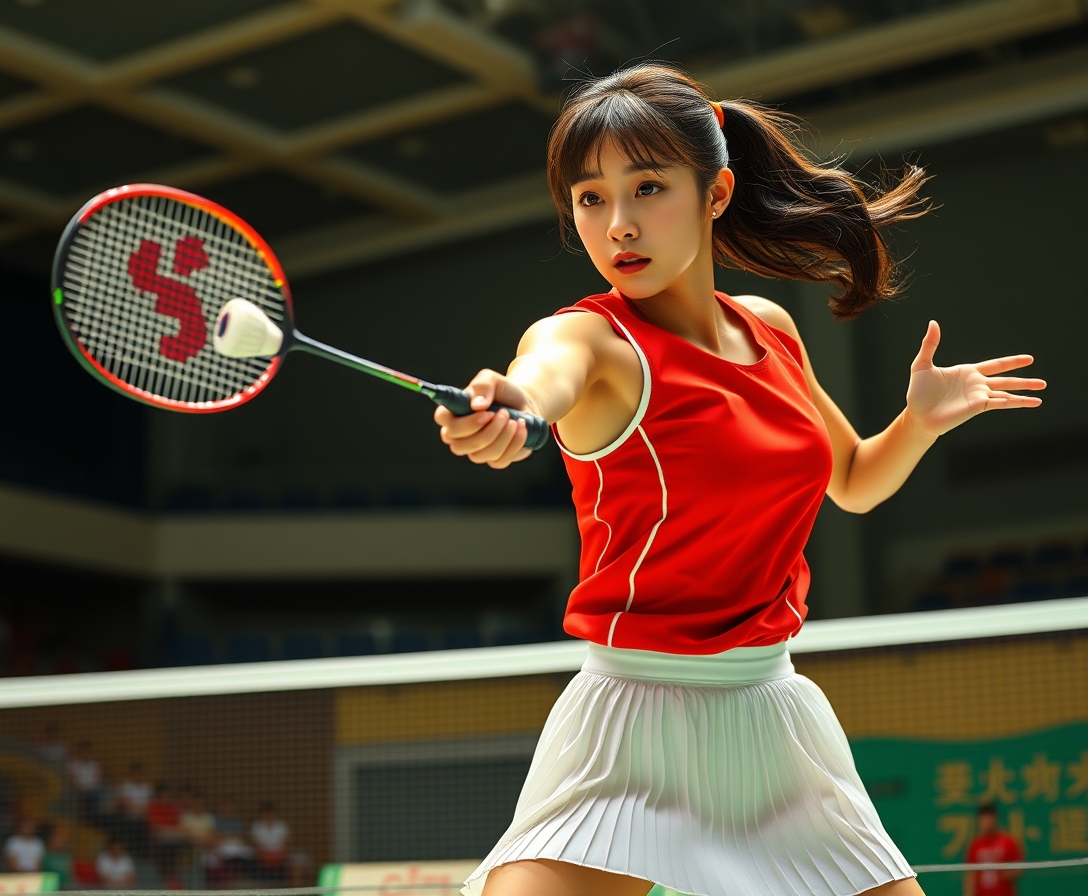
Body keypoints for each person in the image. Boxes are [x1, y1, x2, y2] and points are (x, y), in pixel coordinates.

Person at [433, 63, 1045, 896]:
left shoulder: (772, 331)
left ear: (716, 191)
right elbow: (540, 379)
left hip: (772, 717)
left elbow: (856, 480)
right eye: (590, 198)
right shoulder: (589, 343)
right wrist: (513, 406)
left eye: (647, 188)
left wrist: (921, 423)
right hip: (629, 724)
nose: (618, 225)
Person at [964, 805, 1023, 896]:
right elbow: (970, 875)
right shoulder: (975, 845)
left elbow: (1019, 867)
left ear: (995, 818)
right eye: (984, 819)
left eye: (989, 818)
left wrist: (1003, 872)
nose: (987, 822)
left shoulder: (1007, 841)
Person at [250, 801, 289, 885]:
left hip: (279, 856)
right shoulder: (256, 826)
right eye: (266, 813)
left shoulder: (282, 825)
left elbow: (285, 844)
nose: (269, 815)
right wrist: (266, 856)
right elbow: (256, 845)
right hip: (262, 857)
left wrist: (277, 856)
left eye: (271, 812)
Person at [41, 822, 73, 888]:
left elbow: (70, 874)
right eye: (57, 837)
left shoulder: (66, 856)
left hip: (66, 887)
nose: (61, 841)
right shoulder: (44, 854)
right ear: (50, 838)